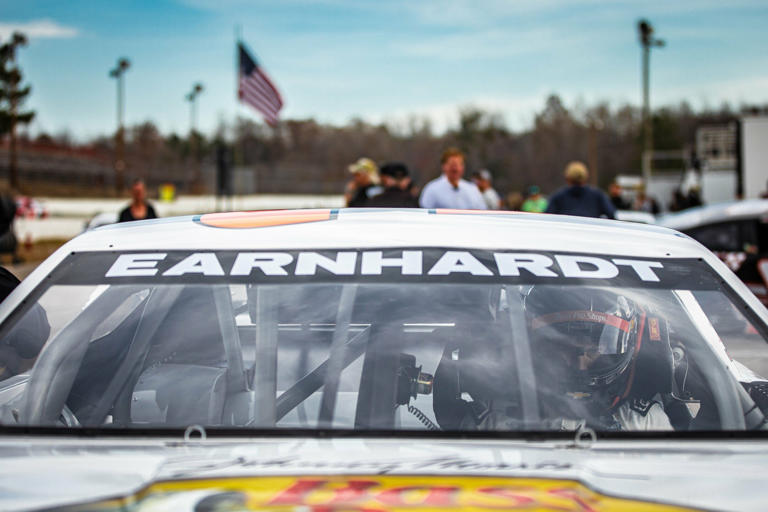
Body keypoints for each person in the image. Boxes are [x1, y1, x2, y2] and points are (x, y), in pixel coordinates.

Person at [419, 148, 486, 210]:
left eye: (458, 164)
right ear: (443, 166)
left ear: (463, 167)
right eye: (451, 164)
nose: (455, 168)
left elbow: (482, 211)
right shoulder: (431, 189)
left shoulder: (472, 190)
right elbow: (424, 212)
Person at [545, 161, 615, 219]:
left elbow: (547, 217)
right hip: (590, 234)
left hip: (564, 234)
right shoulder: (598, 195)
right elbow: (611, 214)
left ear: (567, 178)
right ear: (586, 177)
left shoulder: (558, 196)